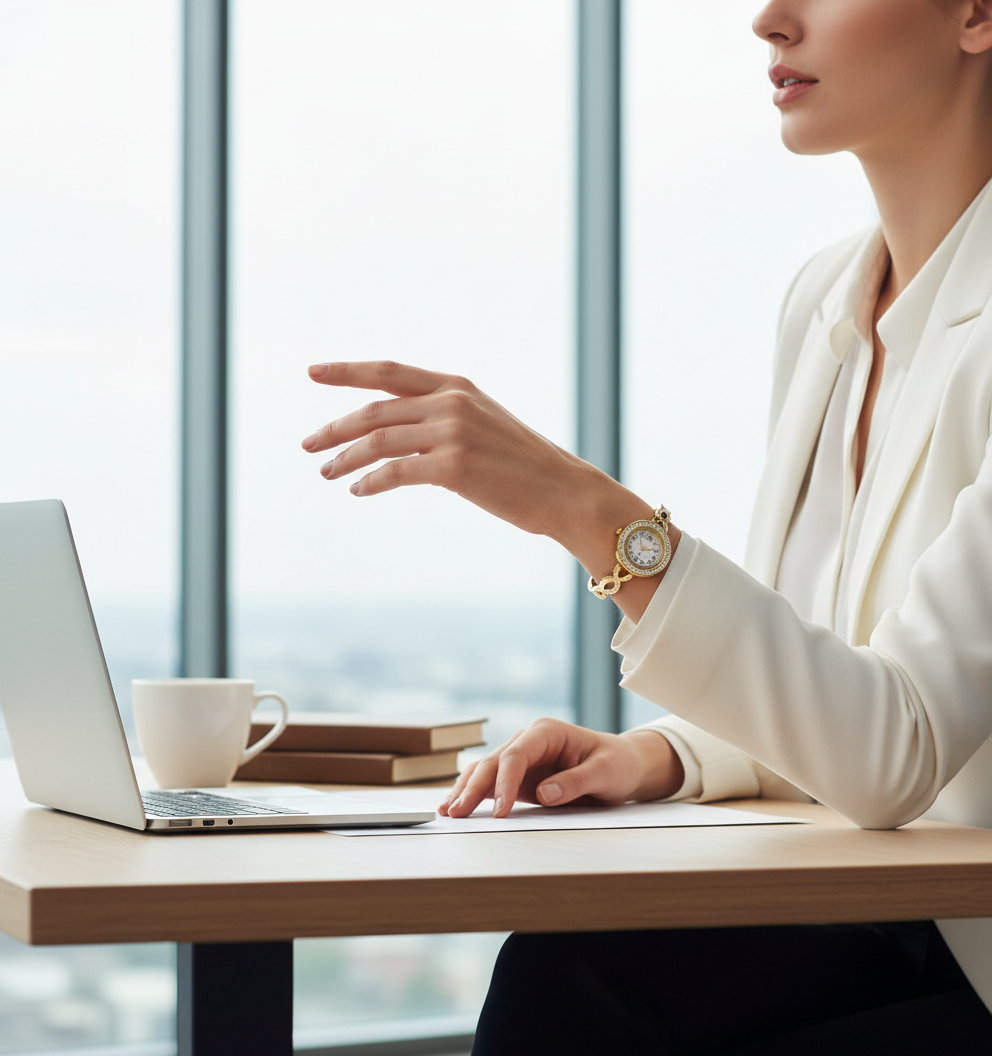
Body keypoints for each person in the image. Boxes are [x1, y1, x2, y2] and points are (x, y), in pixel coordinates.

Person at [301, 0, 992, 1050]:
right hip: (888, 910)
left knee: (585, 988)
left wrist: (585, 511)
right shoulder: (824, 299)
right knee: (569, 968)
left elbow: (896, 752)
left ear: (974, 14)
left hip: (970, 949)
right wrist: (661, 758)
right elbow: (834, 693)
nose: (769, 20)